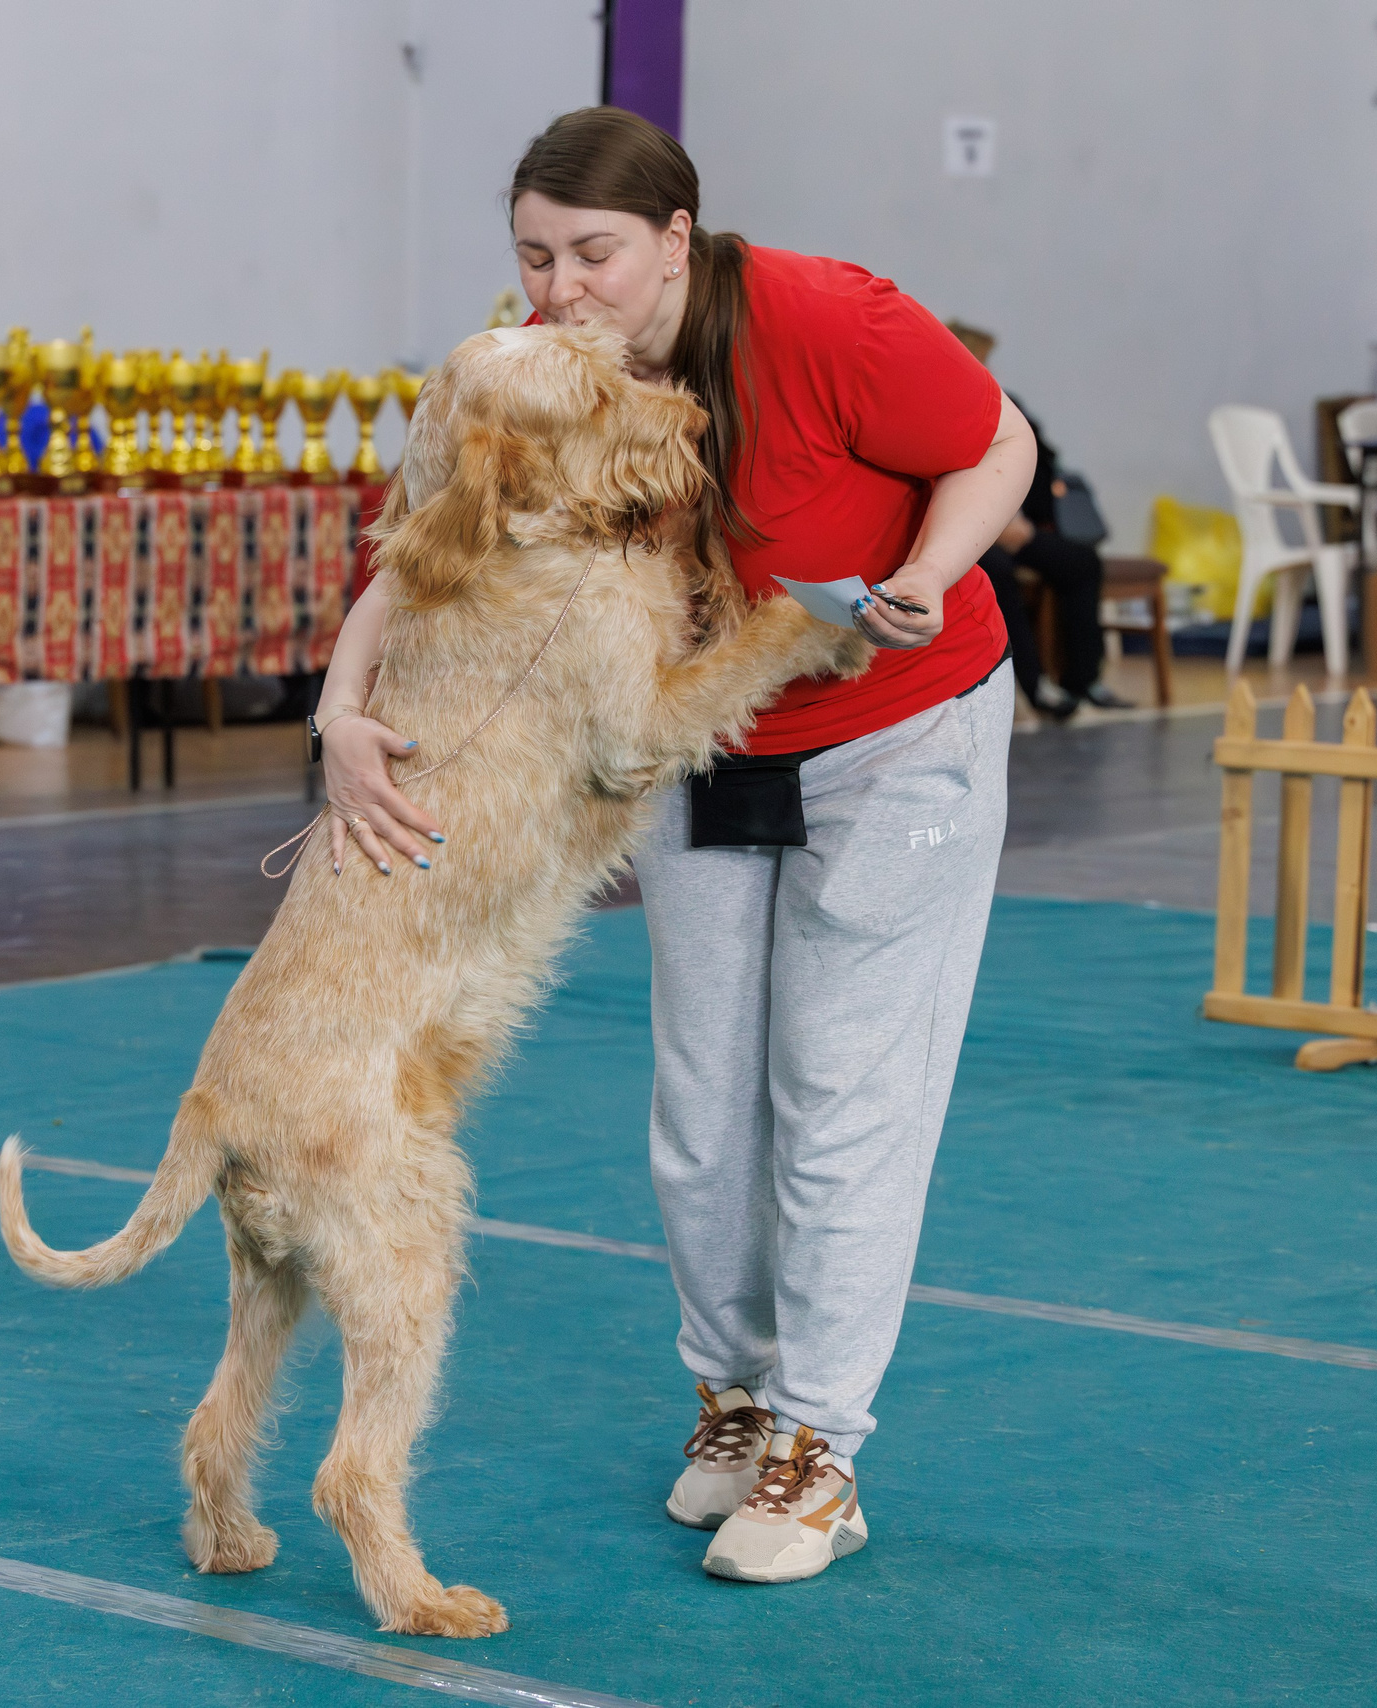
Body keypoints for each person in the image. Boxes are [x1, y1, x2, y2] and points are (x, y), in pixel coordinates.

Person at [312, 107, 1033, 1586]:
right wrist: (340, 699)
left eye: (594, 255)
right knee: (704, 1105)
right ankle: (735, 1401)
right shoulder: (529, 368)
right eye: (533, 256)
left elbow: (999, 444)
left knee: (838, 1091)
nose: (560, 288)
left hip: (902, 725)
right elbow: (424, 538)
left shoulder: (828, 319)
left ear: (677, 244)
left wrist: (924, 572)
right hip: (702, 745)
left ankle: (822, 1449)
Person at [947, 322, 1130, 718]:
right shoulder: (941, 407)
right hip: (969, 531)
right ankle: (1032, 687)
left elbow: (1039, 462)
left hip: (1016, 526)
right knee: (994, 575)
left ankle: (1083, 681)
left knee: (1080, 563)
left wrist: (1026, 520)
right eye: (981, 359)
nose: (987, 368)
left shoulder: (1002, 401)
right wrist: (992, 523)